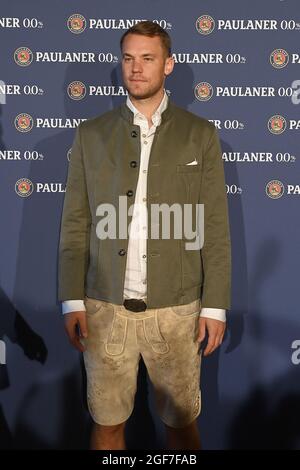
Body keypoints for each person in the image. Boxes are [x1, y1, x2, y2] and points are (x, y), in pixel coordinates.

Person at [58, 21, 231, 450]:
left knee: (181, 424)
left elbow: (214, 227)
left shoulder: (201, 135)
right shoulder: (90, 135)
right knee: (107, 423)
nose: (136, 69)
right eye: (129, 58)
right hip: (104, 309)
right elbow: (75, 222)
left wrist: (216, 307)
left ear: (168, 65)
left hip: (178, 311)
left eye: (148, 58)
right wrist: (72, 298)